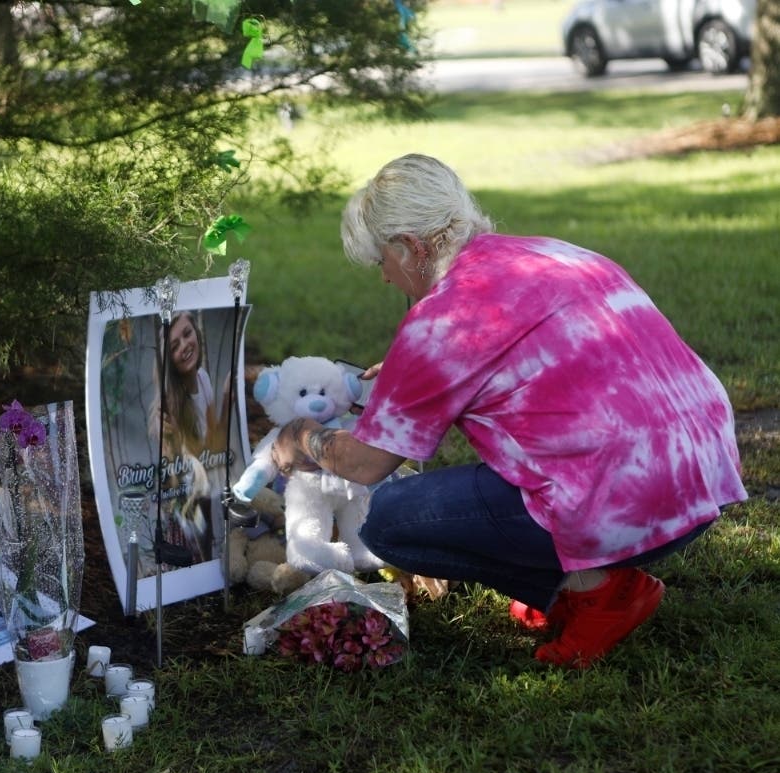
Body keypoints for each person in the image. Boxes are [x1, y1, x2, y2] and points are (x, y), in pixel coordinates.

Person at [271, 153, 747, 669]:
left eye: (379, 260)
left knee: (386, 521)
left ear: (411, 248)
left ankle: (597, 591)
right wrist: (420, 370)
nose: (384, 277)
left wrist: (303, 437)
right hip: (705, 477)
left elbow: (365, 465)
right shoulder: (557, 251)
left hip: (626, 503)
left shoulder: (439, 321)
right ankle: (581, 579)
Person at [149, 310, 229, 565]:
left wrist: (228, 399)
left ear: (196, 332)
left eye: (187, 334)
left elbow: (214, 436)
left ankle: (207, 573)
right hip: (183, 491)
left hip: (205, 476)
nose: (185, 346)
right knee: (190, 544)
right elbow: (175, 462)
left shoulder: (203, 378)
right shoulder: (169, 403)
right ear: (168, 360)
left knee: (208, 540)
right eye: (174, 346)